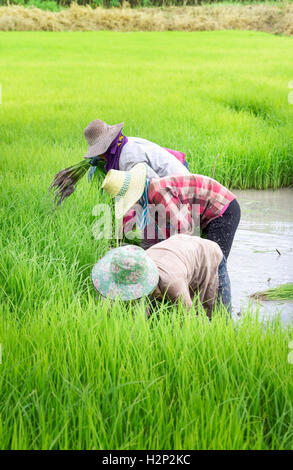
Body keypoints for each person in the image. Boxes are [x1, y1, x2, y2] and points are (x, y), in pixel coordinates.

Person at [102, 163, 241, 259]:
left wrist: (169, 257)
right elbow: (148, 239)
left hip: (222, 209)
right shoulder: (143, 200)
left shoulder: (158, 192)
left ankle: (220, 302)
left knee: (214, 262)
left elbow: (185, 230)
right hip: (202, 215)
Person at [91, 234, 231, 319]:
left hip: (209, 258)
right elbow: (110, 309)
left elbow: (188, 321)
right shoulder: (133, 265)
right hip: (178, 254)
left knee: (219, 320)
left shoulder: (172, 283)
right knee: (154, 315)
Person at [84, 119, 190, 180]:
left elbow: (155, 186)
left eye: (98, 152)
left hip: (179, 181)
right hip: (173, 169)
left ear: (103, 151)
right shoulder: (123, 143)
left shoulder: (128, 159)